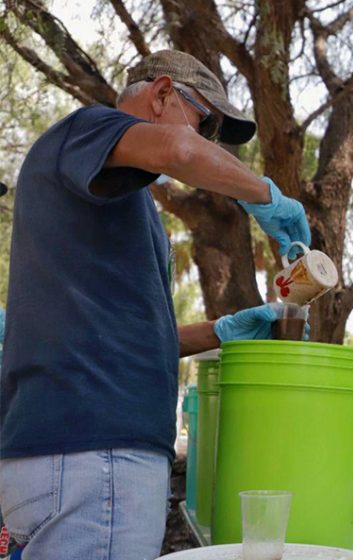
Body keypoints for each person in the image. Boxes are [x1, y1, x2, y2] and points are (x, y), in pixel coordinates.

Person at [0, 50, 310, 559]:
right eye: (205, 124)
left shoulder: (119, 197)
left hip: (67, 458)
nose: (207, 144)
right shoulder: (89, 128)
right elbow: (179, 151)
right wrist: (264, 195)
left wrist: (222, 330)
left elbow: (131, 336)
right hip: (96, 455)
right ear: (162, 93)